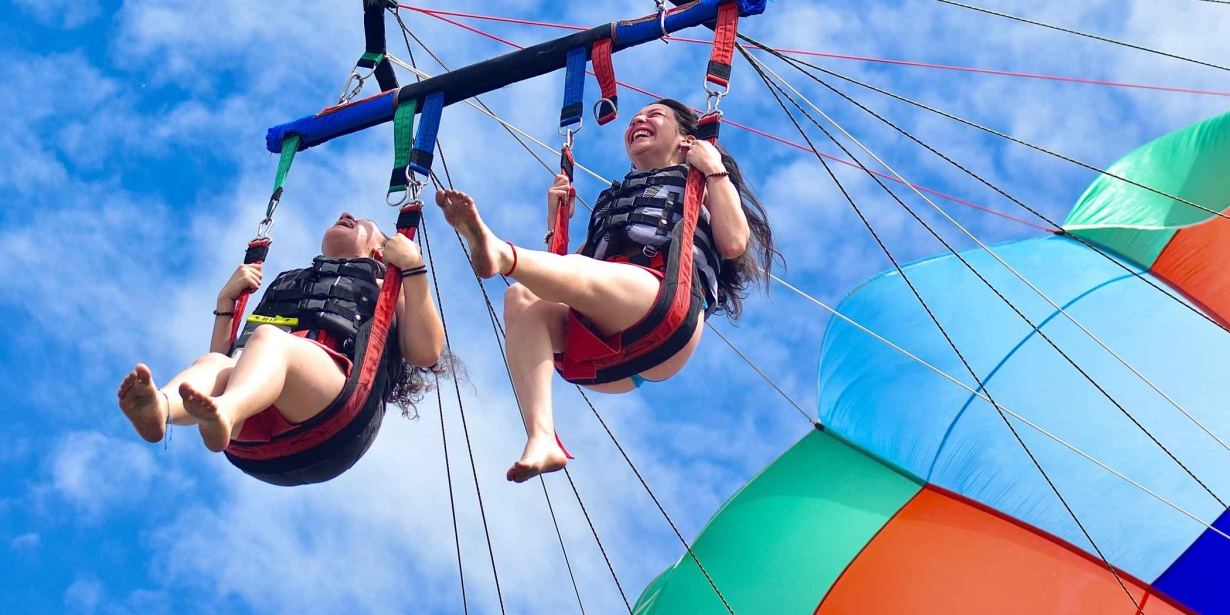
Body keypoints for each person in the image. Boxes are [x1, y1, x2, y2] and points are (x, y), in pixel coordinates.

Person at [437, 99, 775, 483]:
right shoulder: (611, 199)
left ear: (686, 138)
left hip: (667, 308)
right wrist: (555, 226)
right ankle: (542, 437)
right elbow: (567, 282)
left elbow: (733, 243)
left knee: (575, 272)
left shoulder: (703, 184)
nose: (638, 122)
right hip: (609, 358)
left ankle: (501, 254)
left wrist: (713, 167)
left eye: (654, 116)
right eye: (633, 120)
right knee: (521, 297)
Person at [116, 212, 446, 483]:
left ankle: (226, 415)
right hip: (254, 427)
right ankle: (161, 408)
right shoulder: (292, 281)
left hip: (333, 417)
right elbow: (231, 359)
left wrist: (412, 269)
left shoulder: (387, 288)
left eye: (361, 222)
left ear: (379, 252)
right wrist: (226, 301)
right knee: (213, 361)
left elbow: (426, 351)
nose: (346, 214)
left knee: (268, 338)